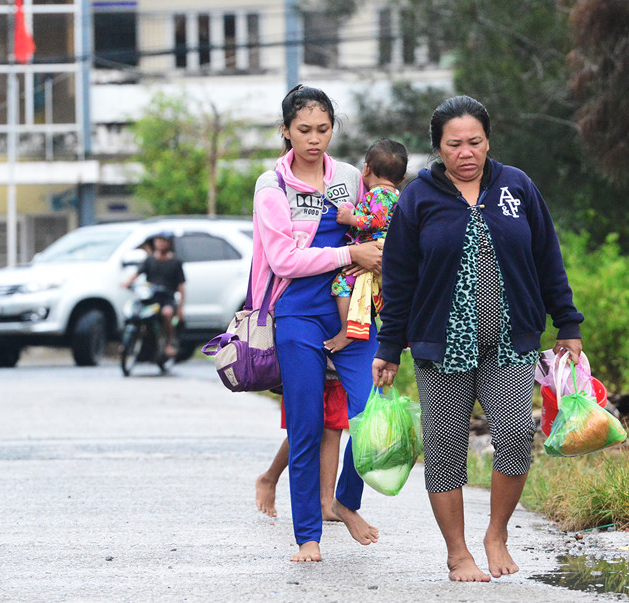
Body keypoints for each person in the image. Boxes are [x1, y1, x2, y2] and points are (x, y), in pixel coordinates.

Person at [371, 95, 584, 582]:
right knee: (445, 447)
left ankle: (497, 534)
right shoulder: (417, 198)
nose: (465, 152)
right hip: (440, 344)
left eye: (475, 141)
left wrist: (567, 323)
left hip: (510, 340)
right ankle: (457, 552)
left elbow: (547, 256)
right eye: (454, 144)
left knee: (515, 435)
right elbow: (399, 278)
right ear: (437, 148)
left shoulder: (517, 186)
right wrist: (389, 346)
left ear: (488, 141)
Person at [250, 84, 384, 563]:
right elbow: (284, 259)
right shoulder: (272, 186)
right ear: (286, 131)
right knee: (306, 426)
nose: (314, 139)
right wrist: (351, 254)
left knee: (370, 418)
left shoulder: (348, 176)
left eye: (323, 129)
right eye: (303, 129)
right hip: (298, 313)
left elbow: (374, 227)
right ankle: (308, 536)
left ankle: (344, 500)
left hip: (355, 312)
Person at [324, 138, 408, 352]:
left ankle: (348, 331)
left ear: (367, 169)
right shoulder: (397, 196)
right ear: (402, 178)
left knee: (341, 284)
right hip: (386, 254)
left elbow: (376, 220)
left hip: (371, 251)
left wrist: (350, 219)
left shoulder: (379, 194)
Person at [255, 363, 348, 523]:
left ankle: (326, 503)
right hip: (304, 363)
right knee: (306, 428)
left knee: (333, 428)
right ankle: (269, 478)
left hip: (337, 366)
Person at [122, 232, 184, 358]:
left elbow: (181, 286)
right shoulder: (149, 260)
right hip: (150, 297)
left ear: (168, 243)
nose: (160, 243)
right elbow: (136, 274)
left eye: (163, 240)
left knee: (167, 313)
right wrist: (127, 283)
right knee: (133, 312)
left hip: (166, 299)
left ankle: (168, 344)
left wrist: (180, 307)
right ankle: (127, 342)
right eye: (158, 240)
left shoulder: (175, 262)